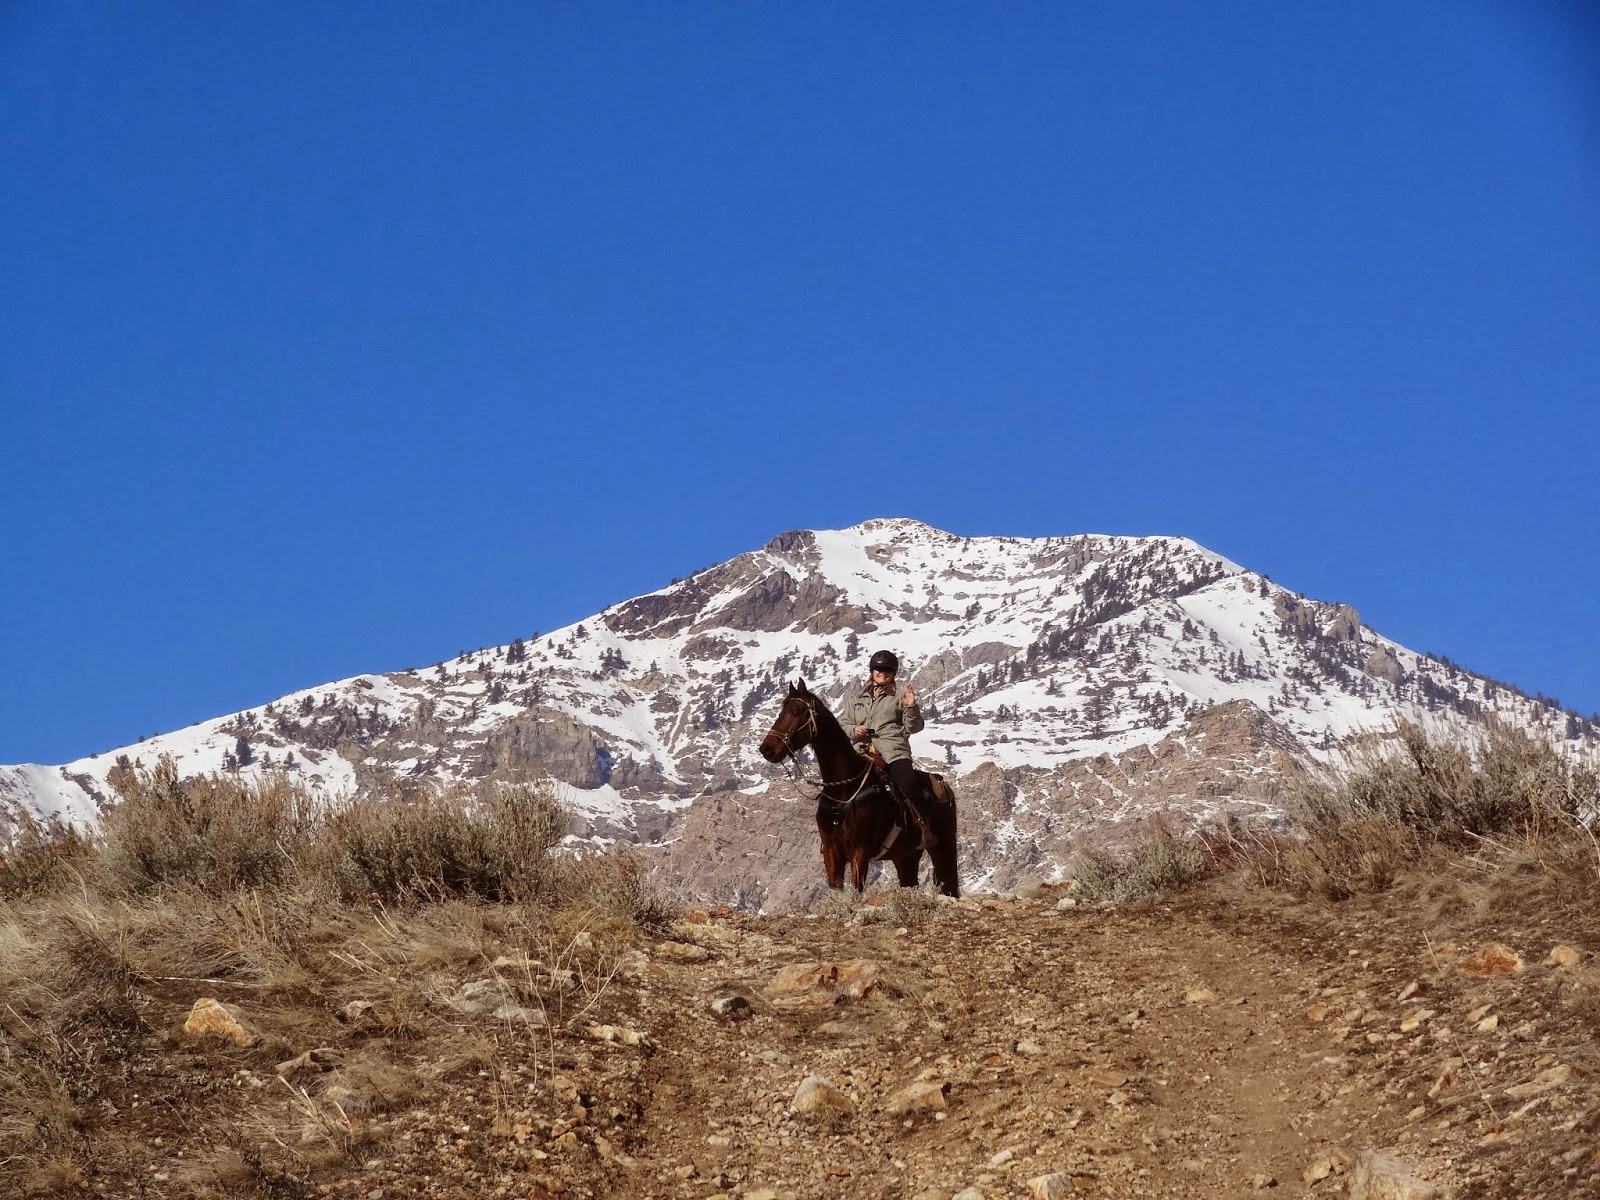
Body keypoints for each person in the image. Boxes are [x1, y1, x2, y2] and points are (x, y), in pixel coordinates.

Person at [840, 649, 939, 848]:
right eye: (879, 669)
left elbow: (914, 727)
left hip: (893, 751)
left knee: (908, 782)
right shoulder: (857, 698)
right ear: (872, 670)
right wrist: (854, 729)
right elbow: (842, 724)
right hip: (861, 751)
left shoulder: (900, 695)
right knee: (836, 784)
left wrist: (911, 707)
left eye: (887, 670)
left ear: (893, 673)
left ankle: (923, 828)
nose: (883, 673)